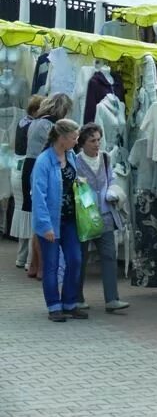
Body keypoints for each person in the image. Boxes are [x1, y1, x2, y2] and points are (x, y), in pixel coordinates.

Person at [31, 118, 86, 322]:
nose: (77, 141)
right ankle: (54, 306)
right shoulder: (44, 162)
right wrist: (45, 225)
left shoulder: (71, 155)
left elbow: (72, 181)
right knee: (52, 265)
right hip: (51, 222)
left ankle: (69, 302)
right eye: (74, 137)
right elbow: (38, 195)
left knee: (75, 259)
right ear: (62, 138)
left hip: (71, 219)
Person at [74, 123, 129, 313]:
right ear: (83, 143)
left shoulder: (105, 158)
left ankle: (112, 299)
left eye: (98, 139)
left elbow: (111, 179)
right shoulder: (76, 161)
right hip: (84, 217)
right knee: (81, 258)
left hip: (105, 215)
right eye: (92, 141)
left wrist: (113, 191)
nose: (97, 144)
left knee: (109, 256)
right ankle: (77, 298)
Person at [23, 92, 72, 280]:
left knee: (37, 220)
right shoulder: (50, 126)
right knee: (45, 219)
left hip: (29, 165)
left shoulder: (35, 122)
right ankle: (43, 267)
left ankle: (35, 265)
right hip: (41, 169)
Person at [12, 94, 43, 270]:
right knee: (31, 215)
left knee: (23, 212)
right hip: (27, 167)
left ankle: (21, 257)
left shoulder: (22, 121)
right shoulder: (35, 125)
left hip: (17, 167)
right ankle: (30, 261)